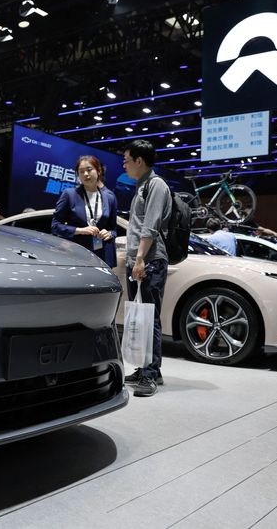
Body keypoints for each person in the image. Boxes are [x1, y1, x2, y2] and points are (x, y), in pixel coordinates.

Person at [123, 139, 171, 397]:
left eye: (126, 160)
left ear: (139, 161)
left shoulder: (156, 185)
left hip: (150, 260)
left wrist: (140, 259)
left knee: (149, 317)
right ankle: (147, 369)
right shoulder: (142, 186)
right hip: (139, 260)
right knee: (141, 318)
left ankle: (150, 375)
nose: (124, 165)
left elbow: (150, 227)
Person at [51, 155, 117, 268]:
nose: (86, 174)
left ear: (99, 171)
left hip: (101, 255)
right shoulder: (69, 195)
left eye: (89, 170)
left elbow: (114, 229)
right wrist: (80, 230)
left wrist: (109, 233)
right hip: (76, 254)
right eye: (81, 171)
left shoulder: (109, 197)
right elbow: (55, 226)